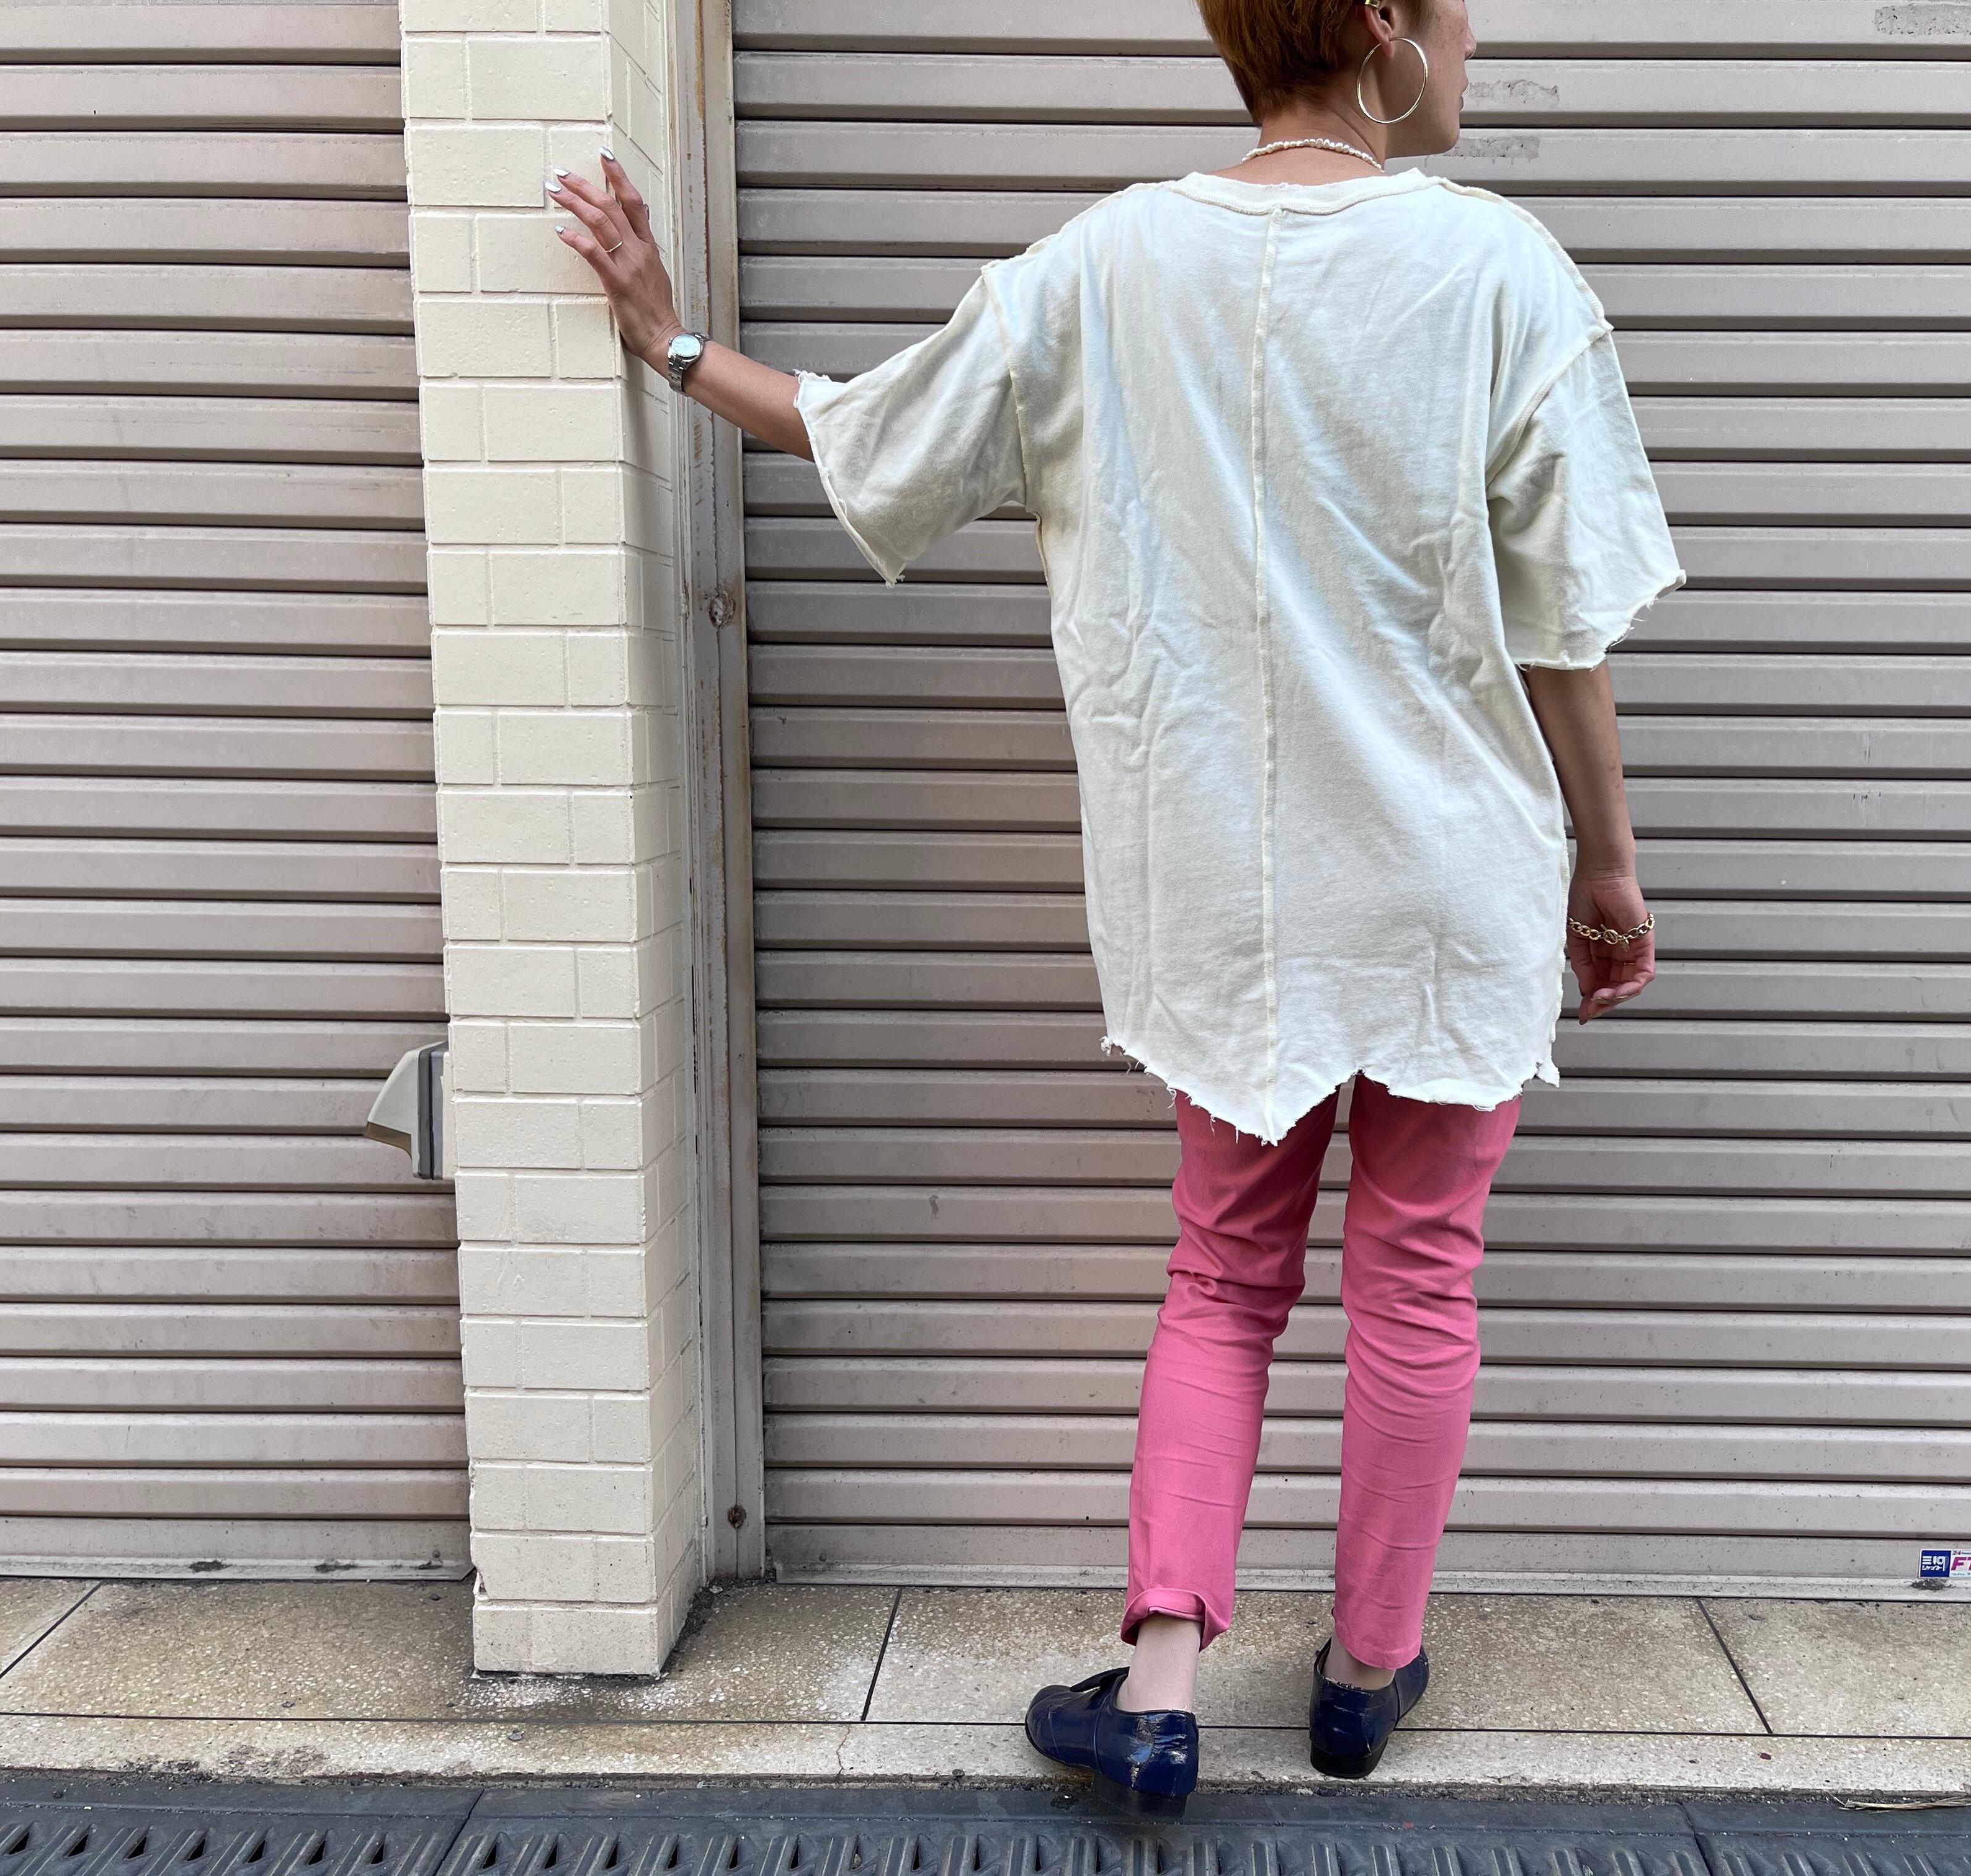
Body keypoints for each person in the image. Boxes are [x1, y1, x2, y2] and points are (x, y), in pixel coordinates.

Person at [550, 0, 1683, 1820]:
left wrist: (669, 342)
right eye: (1457, 10)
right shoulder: (1504, 272)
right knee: (1421, 1275)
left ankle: (1157, 1690)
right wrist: (1607, 874)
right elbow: (1566, 626)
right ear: (1382, 25)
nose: (1475, 43)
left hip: (1226, 893)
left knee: (1223, 1277)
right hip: (1449, 879)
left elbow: (869, 436)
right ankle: (1365, 1677)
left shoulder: (1101, 268)